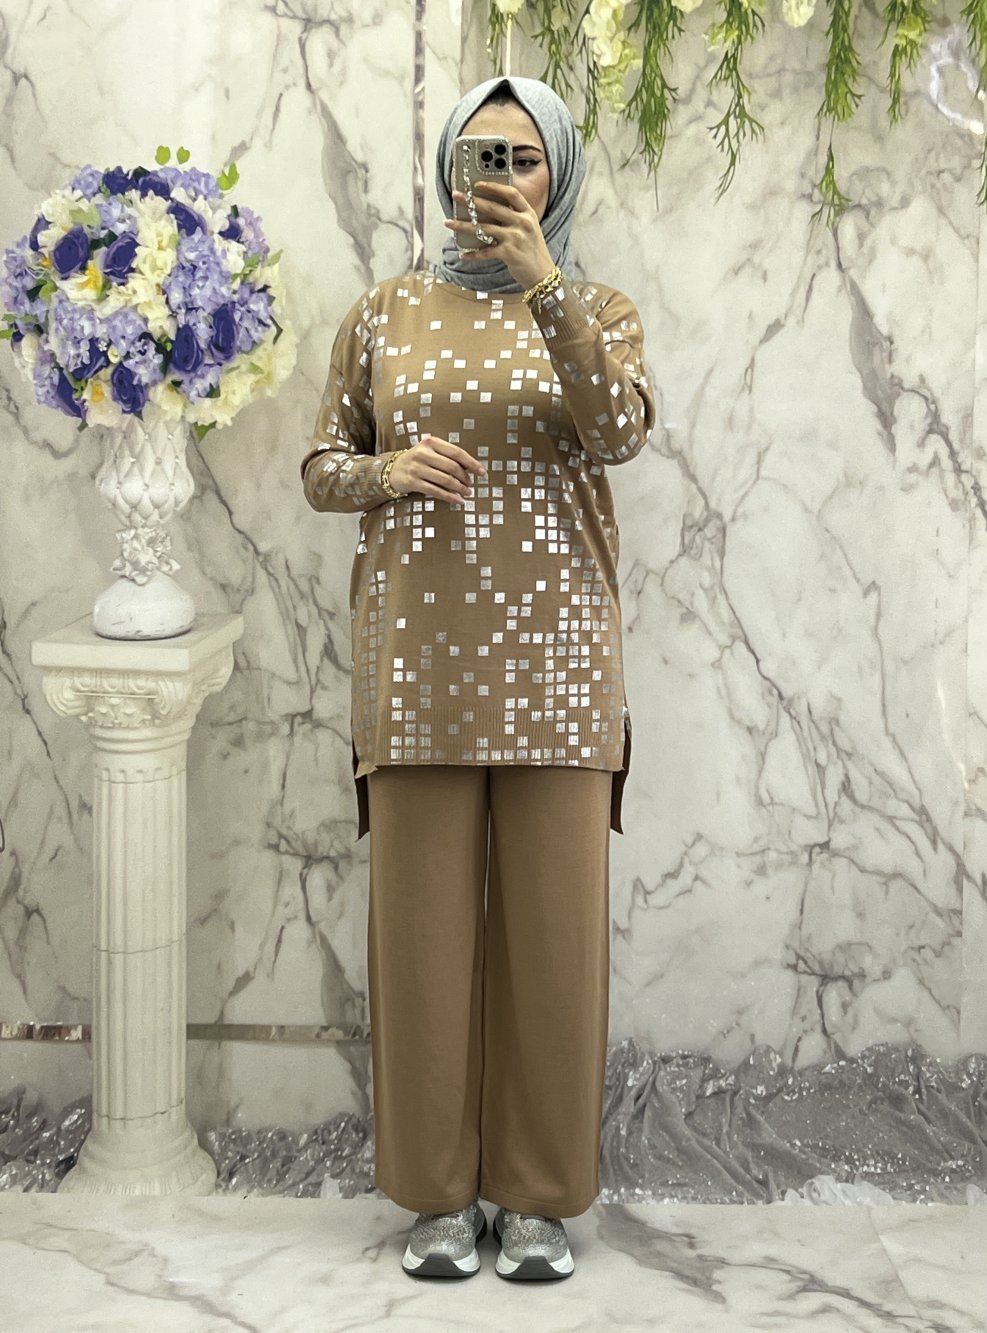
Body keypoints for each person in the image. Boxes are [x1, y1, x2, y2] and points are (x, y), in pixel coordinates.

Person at [300, 74, 655, 1283]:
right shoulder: (385, 311)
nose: (496, 175)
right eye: (476, 153)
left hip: (560, 664)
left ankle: (539, 1196)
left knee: (554, 946)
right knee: (421, 943)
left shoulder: (598, 309)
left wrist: (545, 283)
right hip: (417, 666)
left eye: (521, 155)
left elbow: (617, 431)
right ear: (447, 167)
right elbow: (320, 466)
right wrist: (387, 471)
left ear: (559, 173)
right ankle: (438, 1196)